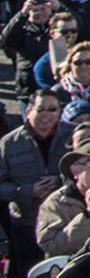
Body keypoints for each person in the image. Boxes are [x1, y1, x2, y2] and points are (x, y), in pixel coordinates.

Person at [0, 92, 68, 274]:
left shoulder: (71, 135)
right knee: (28, 269)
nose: (46, 115)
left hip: (63, 219)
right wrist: (26, 191)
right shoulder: (9, 143)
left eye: (52, 109)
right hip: (25, 221)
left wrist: (60, 180)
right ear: (28, 111)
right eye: (40, 109)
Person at [3, 0, 57, 94]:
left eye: (43, 9)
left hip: (52, 81)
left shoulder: (57, 27)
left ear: (50, 9)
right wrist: (22, 14)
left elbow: (79, 28)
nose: (39, 13)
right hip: (28, 84)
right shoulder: (22, 29)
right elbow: (6, 39)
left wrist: (60, 8)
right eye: (35, 10)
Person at [50, 41, 90, 118]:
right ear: (70, 64)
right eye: (78, 63)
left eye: (89, 62)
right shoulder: (58, 91)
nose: (83, 66)